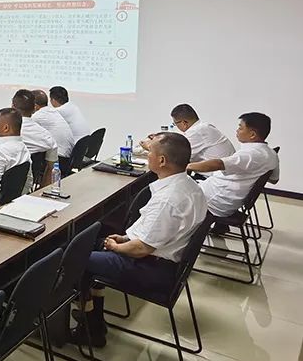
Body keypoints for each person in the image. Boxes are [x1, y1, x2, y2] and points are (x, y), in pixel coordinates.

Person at [71, 133, 206, 348]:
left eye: (149, 152)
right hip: (161, 259)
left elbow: (141, 249)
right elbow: (154, 232)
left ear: (162, 160)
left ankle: (89, 329)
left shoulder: (168, 200)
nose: (146, 155)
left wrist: (116, 246)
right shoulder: (190, 186)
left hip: (151, 269)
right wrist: (125, 238)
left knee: (76, 260)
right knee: (94, 244)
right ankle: (94, 320)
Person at [189, 112, 280, 230]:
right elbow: (274, 179)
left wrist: (187, 166)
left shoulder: (250, 154)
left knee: (173, 190)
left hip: (214, 200)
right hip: (223, 196)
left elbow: (218, 164)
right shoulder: (271, 154)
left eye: (240, 128)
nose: (237, 130)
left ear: (252, 134)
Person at [0, 90, 57, 189]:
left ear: (12, 107)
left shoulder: (4, 130)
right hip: (24, 187)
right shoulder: (47, 137)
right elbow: (51, 168)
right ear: (34, 109)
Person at [139, 104, 234, 163]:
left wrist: (149, 147)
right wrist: (160, 137)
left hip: (215, 179)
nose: (176, 126)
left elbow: (174, 157)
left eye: (175, 124)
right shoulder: (203, 127)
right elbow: (181, 140)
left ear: (184, 123)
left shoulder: (196, 132)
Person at [31, 89, 75, 159]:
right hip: (68, 155)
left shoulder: (37, 116)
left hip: (60, 158)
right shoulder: (53, 111)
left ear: (35, 106)